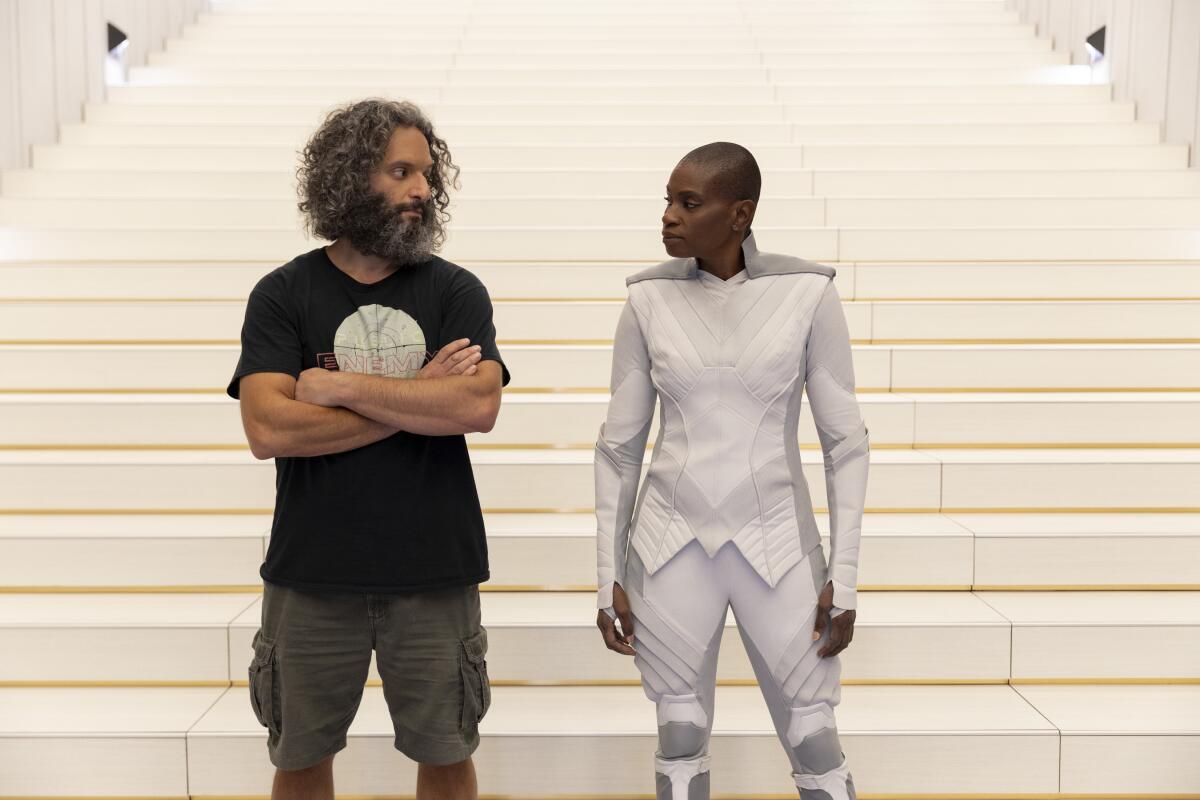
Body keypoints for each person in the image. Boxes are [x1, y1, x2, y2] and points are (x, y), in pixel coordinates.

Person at [227, 99, 510, 800]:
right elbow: (268, 429)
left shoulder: (455, 290)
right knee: (300, 758)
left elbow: (476, 405)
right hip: (311, 574)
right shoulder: (282, 294)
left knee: (446, 753)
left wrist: (333, 387)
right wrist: (418, 401)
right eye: (400, 172)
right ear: (350, 179)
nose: (422, 190)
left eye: (427, 174)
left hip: (435, 572)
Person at [594, 142, 869, 800]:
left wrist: (847, 578)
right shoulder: (647, 300)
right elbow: (619, 448)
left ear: (740, 213)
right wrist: (607, 578)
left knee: (813, 738)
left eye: (688, 203)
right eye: (667, 199)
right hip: (667, 549)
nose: (669, 216)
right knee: (680, 737)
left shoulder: (807, 294)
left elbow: (847, 443)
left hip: (776, 542)